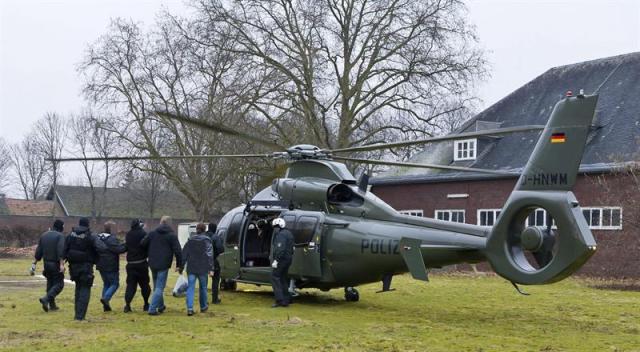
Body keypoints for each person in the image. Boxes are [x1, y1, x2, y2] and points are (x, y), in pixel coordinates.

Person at [63, 217, 107, 321]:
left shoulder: (70, 235)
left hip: (73, 266)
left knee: (78, 289)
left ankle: (77, 315)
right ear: (88, 225)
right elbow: (102, 248)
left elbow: (64, 250)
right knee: (85, 290)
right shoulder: (91, 236)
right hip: (86, 267)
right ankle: (80, 317)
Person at [142, 215, 183, 316]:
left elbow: (143, 243)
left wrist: (149, 252)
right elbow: (178, 251)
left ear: (160, 222)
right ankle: (152, 309)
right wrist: (179, 265)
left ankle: (160, 306)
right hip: (164, 264)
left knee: (156, 286)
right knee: (160, 287)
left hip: (152, 262)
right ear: (170, 224)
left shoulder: (152, 233)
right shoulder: (172, 235)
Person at [32, 219, 66, 312]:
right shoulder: (60, 236)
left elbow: (39, 251)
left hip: (46, 264)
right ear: (61, 227)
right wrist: (61, 264)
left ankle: (52, 305)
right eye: (63, 226)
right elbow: (60, 250)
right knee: (59, 284)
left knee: (50, 284)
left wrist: (34, 263)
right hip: (55, 264)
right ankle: (45, 299)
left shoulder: (44, 235)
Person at [181, 223, 214, 316]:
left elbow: (184, 254)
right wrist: (211, 268)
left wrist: (181, 266)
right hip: (203, 268)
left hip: (191, 267)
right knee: (203, 288)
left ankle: (190, 308)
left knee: (190, 288)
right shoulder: (207, 240)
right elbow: (209, 255)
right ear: (205, 230)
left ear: (196, 229)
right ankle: (203, 307)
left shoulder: (190, 240)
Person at [96, 221, 127, 312]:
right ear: (111, 229)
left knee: (106, 283)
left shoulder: (98, 237)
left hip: (100, 264)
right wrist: (126, 245)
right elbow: (119, 249)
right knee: (115, 284)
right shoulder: (112, 239)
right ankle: (106, 298)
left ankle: (106, 305)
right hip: (111, 265)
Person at [123, 218, 151, 313]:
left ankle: (127, 305)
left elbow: (126, 246)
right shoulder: (143, 234)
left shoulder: (128, 234)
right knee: (145, 285)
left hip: (131, 264)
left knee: (130, 286)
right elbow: (147, 246)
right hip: (142, 263)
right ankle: (146, 304)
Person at [270, 217, 294, 308]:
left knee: (275, 277)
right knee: (283, 278)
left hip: (282, 259)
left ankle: (280, 300)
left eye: (276, 227)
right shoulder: (289, 233)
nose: (275, 229)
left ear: (280, 226)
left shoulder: (281, 235)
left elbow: (280, 248)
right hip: (288, 259)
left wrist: (276, 260)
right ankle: (287, 299)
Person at [207, 222, 224, 304]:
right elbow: (221, 249)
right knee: (216, 280)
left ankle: (203, 299)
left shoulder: (203, 236)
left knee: (202, 281)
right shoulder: (215, 237)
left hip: (201, 261)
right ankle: (215, 299)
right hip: (213, 260)